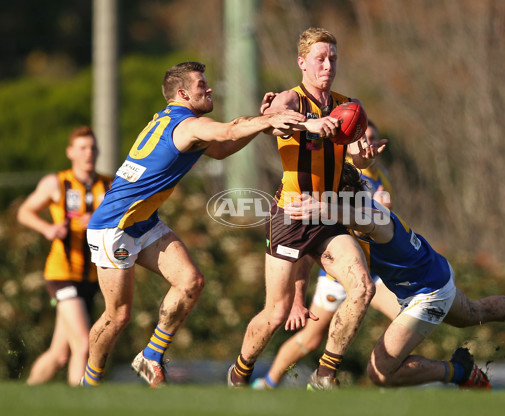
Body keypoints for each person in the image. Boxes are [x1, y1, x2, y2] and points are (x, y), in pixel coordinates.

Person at [81, 61, 308, 387]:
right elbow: (229, 130)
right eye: (202, 84)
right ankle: (88, 384)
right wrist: (269, 119)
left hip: (142, 222)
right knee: (118, 315)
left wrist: (261, 125)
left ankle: (150, 356)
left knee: (191, 281)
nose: (210, 88)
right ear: (184, 93)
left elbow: (222, 149)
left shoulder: (174, 120)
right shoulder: (187, 124)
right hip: (113, 226)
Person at [284, 161, 505, 389]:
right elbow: (311, 252)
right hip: (434, 272)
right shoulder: (353, 208)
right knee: (473, 313)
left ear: (338, 197)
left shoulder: (366, 215)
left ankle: (460, 372)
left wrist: (324, 208)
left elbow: (361, 219)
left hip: (427, 293)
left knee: (379, 373)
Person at [228, 27, 386, 390]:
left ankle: (324, 375)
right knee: (276, 312)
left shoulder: (347, 106)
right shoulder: (291, 99)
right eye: (319, 58)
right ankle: (239, 373)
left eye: (332, 58)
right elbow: (274, 121)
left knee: (362, 287)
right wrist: (310, 123)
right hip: (291, 215)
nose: (327, 65)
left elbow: (355, 160)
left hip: (327, 214)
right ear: (302, 63)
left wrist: (364, 159)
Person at [252, 121, 399, 389]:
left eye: (372, 138)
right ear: (349, 143)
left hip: (373, 271)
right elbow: (310, 244)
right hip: (337, 276)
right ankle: (267, 383)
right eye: (361, 138)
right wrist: (298, 298)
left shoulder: (381, 176)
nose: (367, 143)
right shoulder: (340, 177)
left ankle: (389, 375)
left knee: (405, 319)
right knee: (309, 339)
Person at [17, 126, 112, 386]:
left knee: (60, 354)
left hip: (93, 277)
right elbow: (24, 212)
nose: (88, 153)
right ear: (70, 152)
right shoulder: (57, 183)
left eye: (92, 147)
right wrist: (48, 228)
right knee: (83, 344)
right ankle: (79, 405)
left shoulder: (109, 184)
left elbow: (126, 221)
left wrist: (99, 221)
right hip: (62, 275)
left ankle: (25, 393)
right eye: (82, 148)